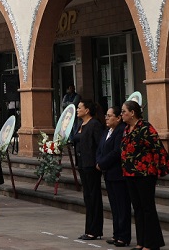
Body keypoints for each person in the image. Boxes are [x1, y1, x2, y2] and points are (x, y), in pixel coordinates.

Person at [121, 100, 169, 250]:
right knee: (137, 208)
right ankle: (141, 241)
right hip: (130, 172)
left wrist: (159, 168)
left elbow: (157, 148)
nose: (122, 114)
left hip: (145, 173)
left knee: (147, 207)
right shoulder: (127, 129)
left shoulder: (145, 128)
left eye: (124, 111)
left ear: (132, 113)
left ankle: (151, 243)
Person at [96, 106, 131, 247]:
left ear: (118, 118)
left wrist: (102, 163)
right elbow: (100, 149)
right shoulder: (107, 131)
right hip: (108, 174)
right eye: (106, 115)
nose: (106, 118)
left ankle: (124, 236)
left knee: (122, 207)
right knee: (114, 206)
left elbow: (116, 152)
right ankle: (117, 234)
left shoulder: (121, 131)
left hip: (118, 174)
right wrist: (98, 161)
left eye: (110, 115)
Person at [72, 99, 105, 241]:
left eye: (79, 107)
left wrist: (99, 162)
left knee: (94, 197)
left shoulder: (95, 125)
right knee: (87, 197)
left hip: (92, 165)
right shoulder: (80, 124)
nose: (77, 110)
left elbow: (100, 145)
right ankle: (89, 229)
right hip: (82, 164)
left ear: (87, 110)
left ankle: (95, 230)